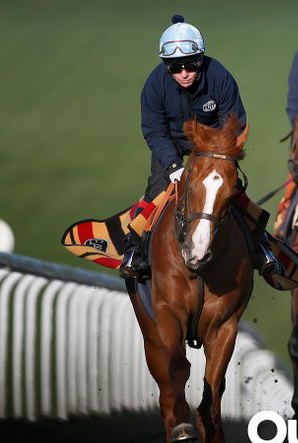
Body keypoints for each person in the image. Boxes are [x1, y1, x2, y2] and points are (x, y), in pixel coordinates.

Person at [120, 15, 282, 280]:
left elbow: (233, 123)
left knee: (231, 189)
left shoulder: (220, 77)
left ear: (200, 59)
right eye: (175, 67)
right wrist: (173, 166)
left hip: (211, 144)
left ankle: (262, 246)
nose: (184, 73)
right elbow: (154, 131)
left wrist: (216, 155)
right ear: (166, 66)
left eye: (190, 65)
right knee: (156, 191)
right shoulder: (153, 85)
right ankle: (134, 249)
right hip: (170, 143)